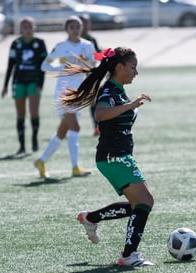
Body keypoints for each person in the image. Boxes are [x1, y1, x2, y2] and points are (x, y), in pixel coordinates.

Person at [60, 47, 154, 266]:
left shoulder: (117, 89)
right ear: (119, 67)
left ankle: (91, 218)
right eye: (133, 67)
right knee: (146, 200)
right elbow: (100, 114)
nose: (136, 72)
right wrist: (130, 105)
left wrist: (128, 104)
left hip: (119, 156)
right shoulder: (109, 91)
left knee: (137, 205)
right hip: (114, 157)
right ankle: (128, 255)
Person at [34, 16, 95, 178]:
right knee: (75, 128)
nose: (75, 29)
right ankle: (75, 168)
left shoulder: (87, 45)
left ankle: (41, 161)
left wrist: (87, 64)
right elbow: (45, 65)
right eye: (72, 27)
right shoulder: (61, 47)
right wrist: (63, 67)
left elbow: (94, 65)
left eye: (78, 26)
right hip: (63, 92)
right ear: (66, 29)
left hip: (80, 92)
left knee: (63, 131)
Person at [1, 17, 47, 154]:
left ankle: (34, 138)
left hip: (33, 82)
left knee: (34, 112)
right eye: (25, 27)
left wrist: (41, 83)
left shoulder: (40, 43)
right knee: (20, 114)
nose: (27, 29)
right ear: (21, 29)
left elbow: (43, 65)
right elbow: (10, 65)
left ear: (34, 28)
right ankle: (21, 146)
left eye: (30, 27)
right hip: (19, 82)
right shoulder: (16, 44)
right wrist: (5, 85)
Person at [80, 14, 101, 136]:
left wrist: (104, 54)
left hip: (90, 74)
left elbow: (97, 55)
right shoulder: (74, 40)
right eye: (84, 23)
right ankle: (67, 125)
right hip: (76, 75)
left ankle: (96, 127)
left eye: (88, 23)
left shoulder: (91, 39)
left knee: (93, 100)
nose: (86, 26)